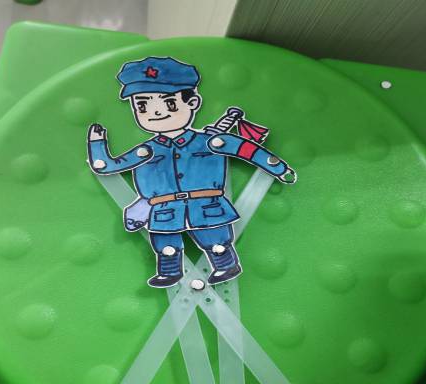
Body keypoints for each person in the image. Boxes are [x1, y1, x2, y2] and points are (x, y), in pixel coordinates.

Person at [87, 57, 295, 288]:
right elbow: (107, 166)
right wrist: (97, 144)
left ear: (193, 102)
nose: (156, 112)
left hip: (206, 205)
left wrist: (280, 168)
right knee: (166, 247)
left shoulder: (212, 141)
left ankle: (226, 265)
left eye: (169, 103)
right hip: (164, 209)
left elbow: (249, 150)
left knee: (216, 242)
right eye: (143, 106)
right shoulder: (147, 150)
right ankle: (169, 272)